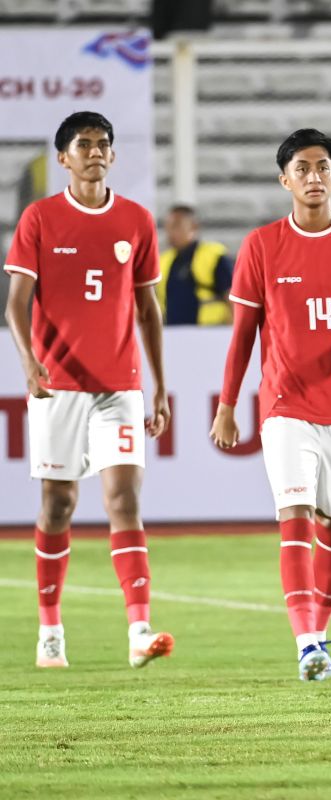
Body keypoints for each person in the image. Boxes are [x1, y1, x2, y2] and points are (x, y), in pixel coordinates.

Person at [210, 129, 331, 681]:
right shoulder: (262, 245)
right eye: (302, 169)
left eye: (323, 168)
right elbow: (243, 334)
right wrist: (227, 405)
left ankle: (321, 630)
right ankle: (307, 641)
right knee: (294, 516)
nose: (314, 177)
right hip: (285, 406)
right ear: (284, 179)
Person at [4, 110, 174, 670]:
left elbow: (147, 308)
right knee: (59, 504)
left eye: (103, 143)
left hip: (119, 384)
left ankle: (139, 629)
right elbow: (16, 303)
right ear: (63, 158)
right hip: (58, 385)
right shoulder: (40, 219)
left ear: (113, 155)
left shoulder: (136, 220)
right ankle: (50, 627)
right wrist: (29, 363)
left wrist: (160, 385)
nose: (95, 151)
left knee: (124, 498)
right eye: (84, 144)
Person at [158, 204, 234, 325]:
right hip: (172, 335)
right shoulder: (163, 261)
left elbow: (233, 298)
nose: (170, 232)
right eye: (167, 227)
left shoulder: (213, 256)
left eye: (176, 226)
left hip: (211, 333)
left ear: (194, 227)